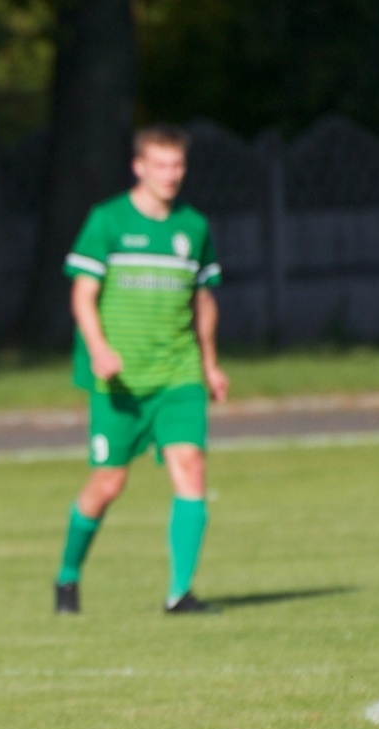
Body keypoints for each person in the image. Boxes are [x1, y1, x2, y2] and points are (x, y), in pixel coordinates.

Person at [52, 124, 228, 616]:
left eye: (178, 165)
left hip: (178, 372)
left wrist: (210, 365)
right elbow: (82, 295)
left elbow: (204, 300)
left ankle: (180, 593)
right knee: (108, 484)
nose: (171, 175)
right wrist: (100, 349)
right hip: (119, 382)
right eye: (161, 165)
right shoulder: (107, 221)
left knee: (190, 466)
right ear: (140, 167)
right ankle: (67, 577)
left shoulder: (193, 227)